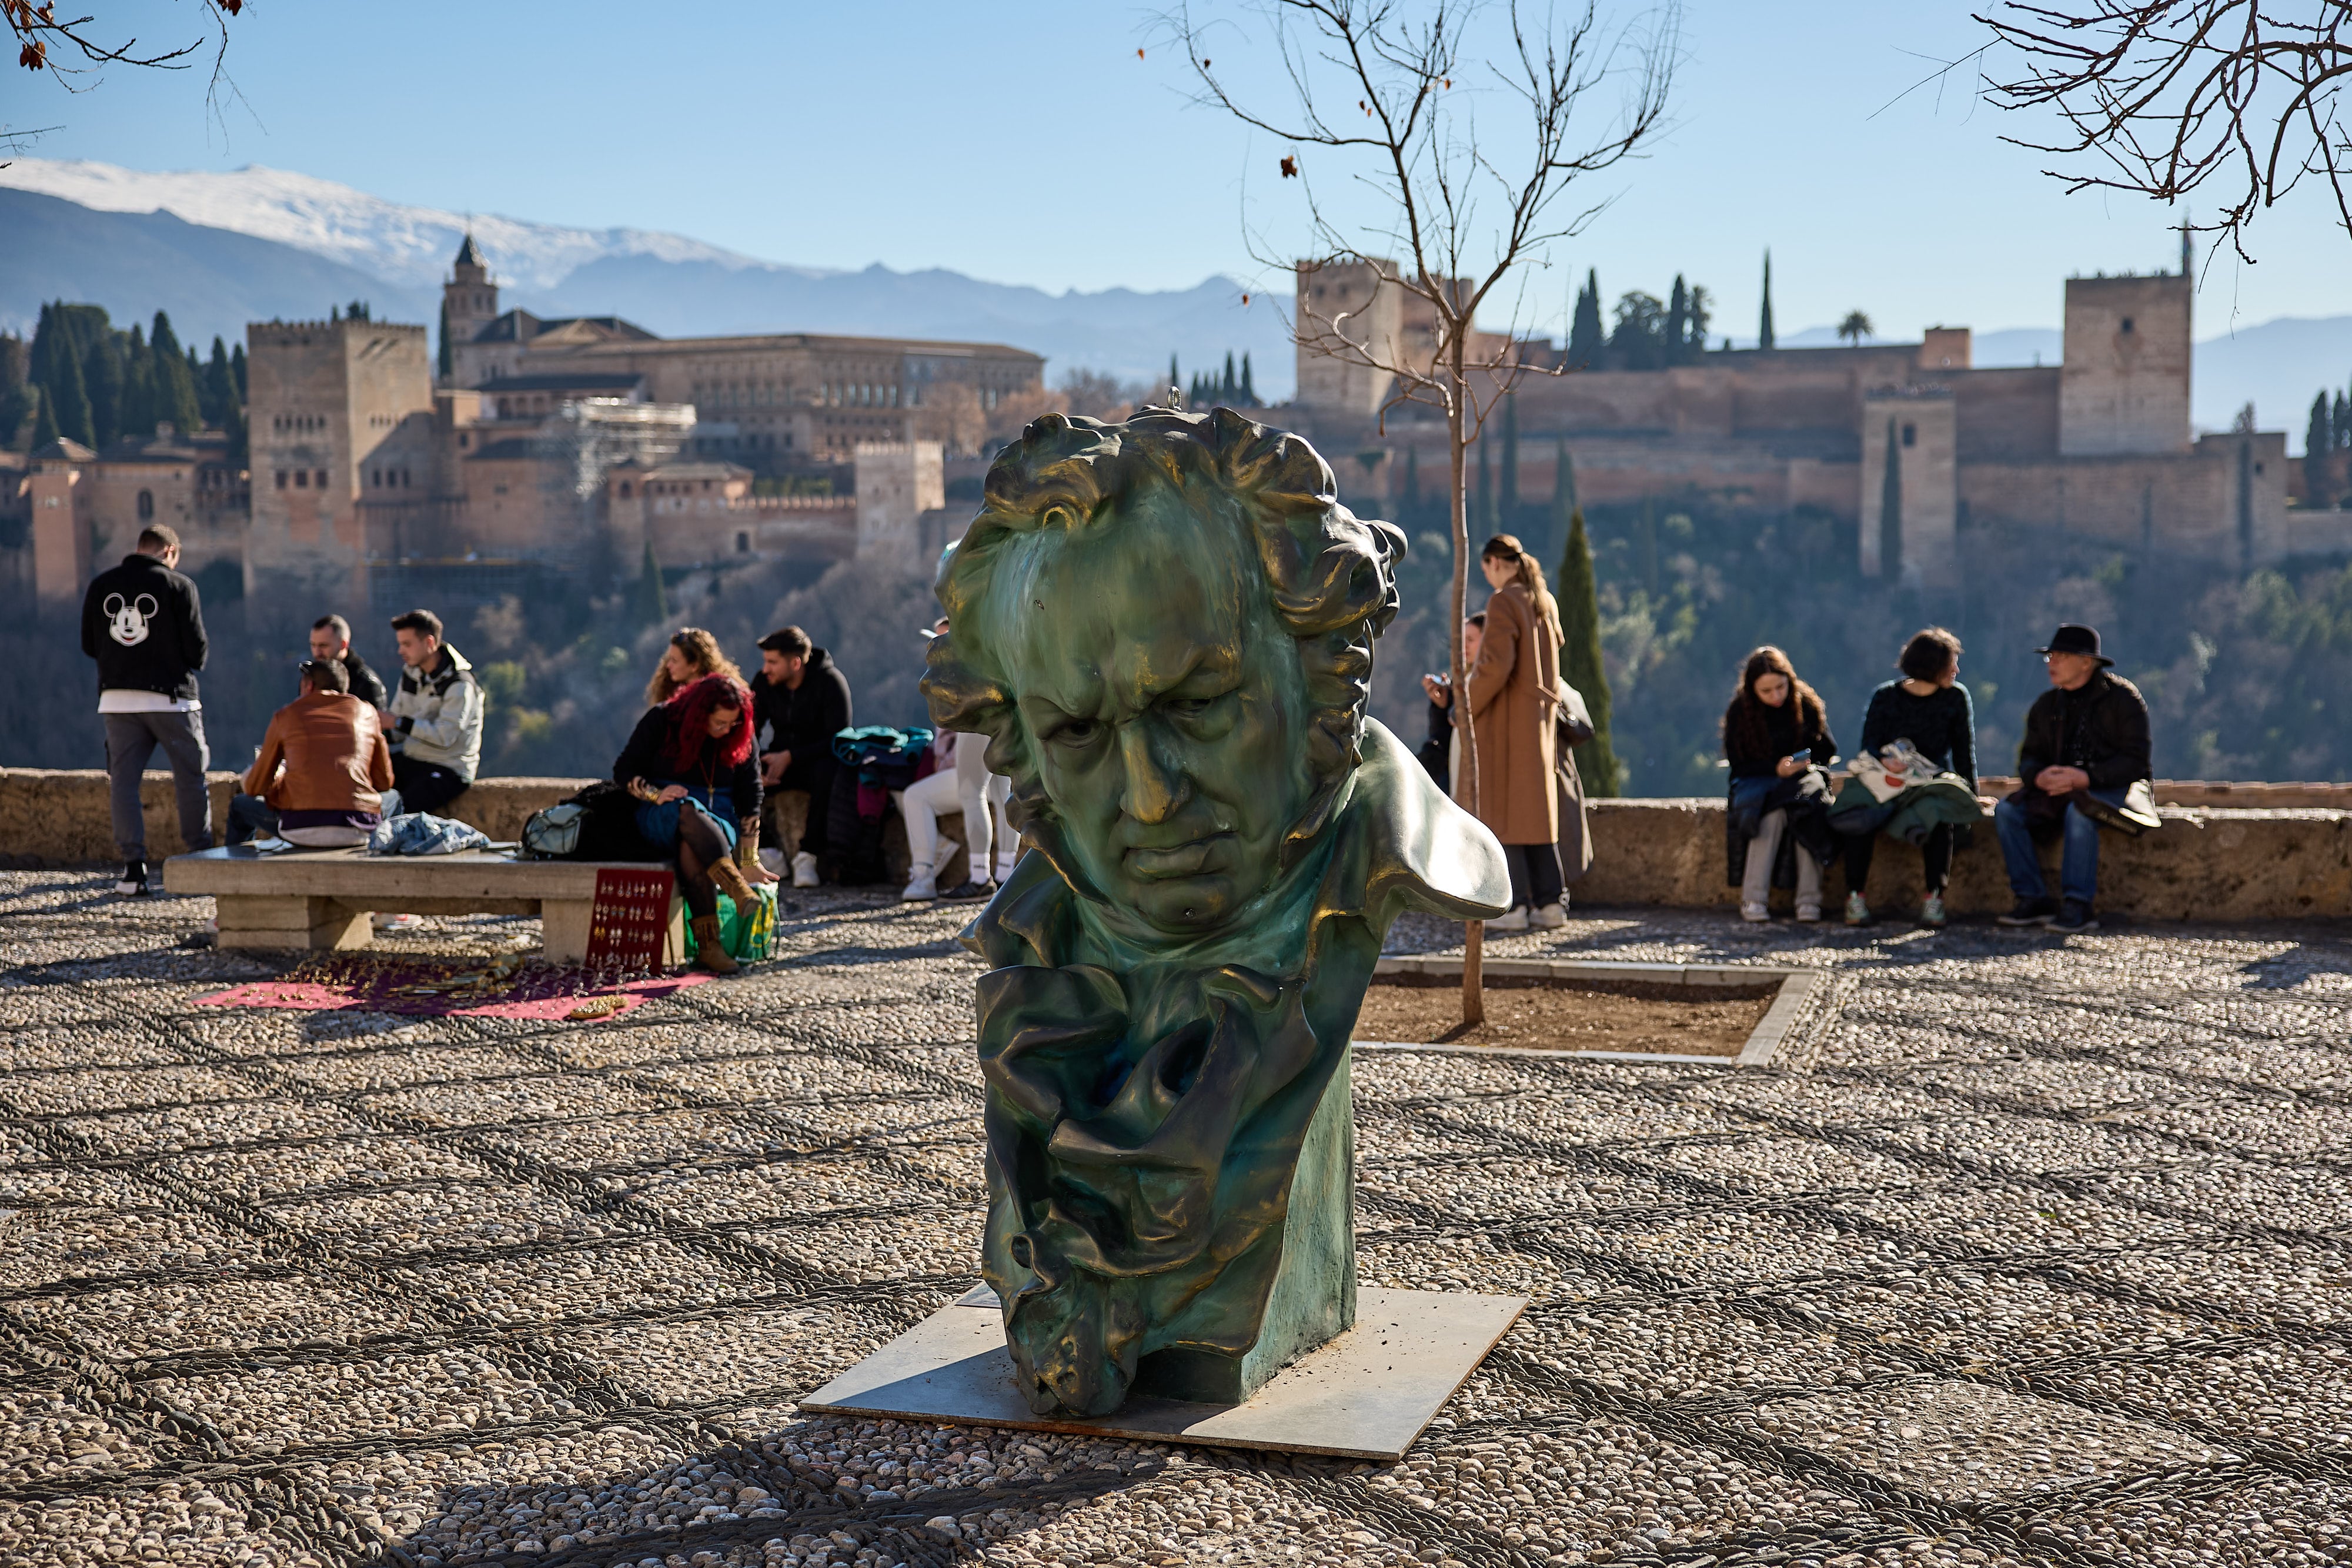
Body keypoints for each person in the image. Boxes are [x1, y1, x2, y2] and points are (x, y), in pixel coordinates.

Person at [1994, 623, 2153, 934]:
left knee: (2080, 813)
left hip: (2111, 788)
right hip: (2057, 791)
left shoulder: (2123, 699)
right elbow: (2029, 759)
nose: (2052, 663)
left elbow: (2136, 762)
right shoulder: (2046, 705)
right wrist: (2039, 777)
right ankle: (2031, 898)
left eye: (2062, 656)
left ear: (2086, 662)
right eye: (2050, 656)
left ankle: (2078, 905)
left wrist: (2087, 777)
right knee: (2007, 811)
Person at [81, 523, 211, 895]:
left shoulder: (101, 585)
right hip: (172, 699)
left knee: (123, 783)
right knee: (190, 776)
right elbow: (197, 652)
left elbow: (90, 645)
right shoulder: (179, 586)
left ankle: (133, 870)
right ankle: (199, 861)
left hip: (117, 699)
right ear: (169, 551)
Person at [612, 672, 763, 974]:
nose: (726, 729)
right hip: (663, 810)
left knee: (691, 846)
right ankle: (733, 889)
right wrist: (656, 794)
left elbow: (750, 796)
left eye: (732, 723)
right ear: (699, 716)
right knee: (687, 810)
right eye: (719, 722)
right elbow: (624, 771)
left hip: (717, 817)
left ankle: (710, 947)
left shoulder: (739, 734)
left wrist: (750, 858)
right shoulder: (662, 720)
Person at [1838, 627, 1983, 929]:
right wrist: (1886, 760)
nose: (1956, 670)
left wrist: (1970, 795)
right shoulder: (1886, 696)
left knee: (1941, 815)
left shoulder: (1955, 697)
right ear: (1932, 666)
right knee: (1859, 816)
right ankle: (1855, 897)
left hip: (1930, 781)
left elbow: (1962, 753)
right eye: (1950, 663)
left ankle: (1934, 899)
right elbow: (1869, 744)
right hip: (1888, 779)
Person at [1464, 534, 1566, 931]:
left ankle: (1515, 904)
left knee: (1504, 814)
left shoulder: (1503, 601)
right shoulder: (1544, 599)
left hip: (1506, 721)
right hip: (1538, 720)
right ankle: (1551, 902)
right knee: (1536, 814)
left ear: (1492, 562)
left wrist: (1466, 705)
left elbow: (1495, 664)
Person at [898, 621, 1018, 901]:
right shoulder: (994, 639)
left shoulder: (965, 656)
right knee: (1004, 794)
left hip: (975, 710)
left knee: (971, 792)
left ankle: (979, 877)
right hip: (1006, 709)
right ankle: (1006, 874)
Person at [1723, 646, 1838, 923]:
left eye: (1781, 687)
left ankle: (1809, 901)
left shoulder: (1806, 702)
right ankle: (1754, 899)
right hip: (1760, 781)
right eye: (1766, 691)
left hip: (1802, 781)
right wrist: (1774, 768)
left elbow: (1828, 749)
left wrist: (1802, 762)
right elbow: (1738, 762)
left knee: (1809, 812)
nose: (1776, 696)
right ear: (1753, 690)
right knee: (1769, 816)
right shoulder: (1740, 711)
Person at [226, 659, 395, 848]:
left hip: (300, 825)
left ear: (308, 686)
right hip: (359, 826)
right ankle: (386, 859)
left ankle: (232, 875)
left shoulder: (287, 715)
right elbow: (384, 782)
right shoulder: (367, 713)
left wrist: (282, 772)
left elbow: (253, 787)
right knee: (394, 797)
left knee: (240, 806)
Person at [750, 625, 852, 887]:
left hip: (815, 760)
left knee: (829, 770)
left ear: (795, 663)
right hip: (778, 760)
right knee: (739, 768)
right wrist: (756, 767)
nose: (765, 669)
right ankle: (768, 852)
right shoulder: (764, 683)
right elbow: (748, 731)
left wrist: (792, 756)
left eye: (772, 662)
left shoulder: (830, 682)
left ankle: (807, 856)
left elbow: (839, 737)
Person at [385, 609, 483, 816]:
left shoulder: (460, 684)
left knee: (399, 811)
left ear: (429, 643)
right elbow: (399, 725)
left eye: (407, 644)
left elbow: (445, 736)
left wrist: (397, 723)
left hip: (449, 769)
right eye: (400, 644)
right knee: (363, 781)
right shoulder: (412, 672)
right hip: (414, 759)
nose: (401, 651)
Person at [1418, 613, 1485, 796]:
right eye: (1462, 639)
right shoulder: (1464, 680)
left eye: (1470, 639)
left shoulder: (1484, 683)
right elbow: (1445, 734)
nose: (1464, 646)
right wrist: (1442, 705)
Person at [644, 626, 744, 708]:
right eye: (669, 659)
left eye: (674, 661)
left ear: (694, 666)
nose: (668, 665)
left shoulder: (723, 698)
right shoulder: (669, 696)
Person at [309, 614, 389, 711]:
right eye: (313, 645)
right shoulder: (311, 678)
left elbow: (376, 723)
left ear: (343, 645)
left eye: (323, 646)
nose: (317, 652)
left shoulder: (366, 684)